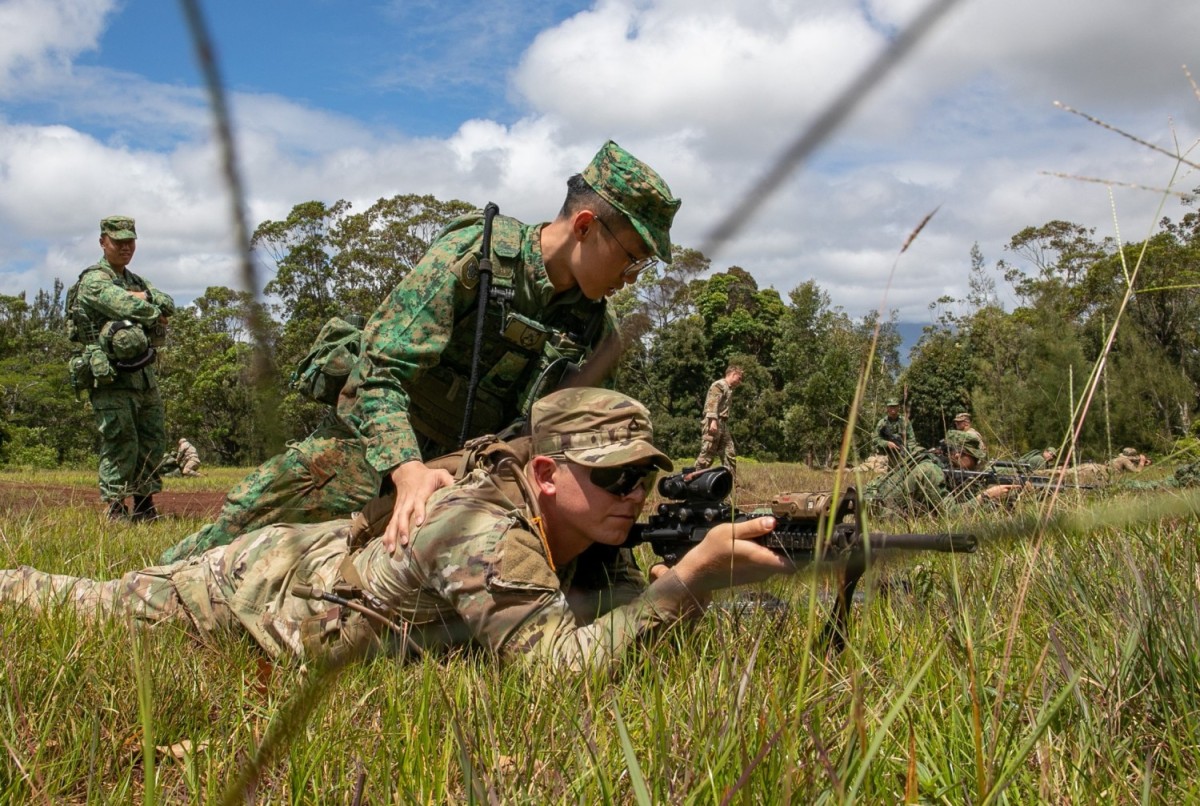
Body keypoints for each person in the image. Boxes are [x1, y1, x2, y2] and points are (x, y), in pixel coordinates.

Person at [0, 389, 792, 671]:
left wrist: (675, 586)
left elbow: (603, 617)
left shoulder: (595, 533)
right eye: (615, 477)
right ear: (546, 475)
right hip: (263, 594)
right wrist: (687, 587)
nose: (635, 493)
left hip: (324, 583)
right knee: (81, 601)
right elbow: (555, 667)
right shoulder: (483, 527)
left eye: (644, 476)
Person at [159, 140, 681, 564]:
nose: (629, 280)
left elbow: (588, 445)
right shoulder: (476, 260)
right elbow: (379, 370)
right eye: (632, 260)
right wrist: (406, 469)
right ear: (586, 226)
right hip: (378, 450)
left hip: (481, 478)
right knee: (235, 533)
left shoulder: (596, 331)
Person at [69, 216, 175, 521]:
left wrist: (145, 298)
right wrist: (149, 307)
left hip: (143, 374)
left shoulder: (136, 282)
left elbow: (168, 304)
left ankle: (144, 505)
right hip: (110, 375)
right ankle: (115, 508)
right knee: (120, 439)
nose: (126, 247)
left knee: (151, 439)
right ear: (103, 242)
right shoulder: (94, 280)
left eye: (131, 241)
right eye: (118, 242)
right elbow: (129, 307)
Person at [865, 430, 1015, 515]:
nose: (977, 464)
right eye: (974, 459)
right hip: (880, 516)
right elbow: (951, 514)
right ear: (957, 455)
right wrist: (986, 496)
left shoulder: (943, 465)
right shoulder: (932, 471)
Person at [691, 365, 743, 477]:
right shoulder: (719, 385)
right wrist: (713, 421)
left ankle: (731, 485)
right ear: (733, 374)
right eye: (739, 378)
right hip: (713, 422)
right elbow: (712, 403)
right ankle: (693, 480)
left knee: (730, 454)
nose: (740, 382)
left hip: (722, 424)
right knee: (707, 456)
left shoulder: (728, 388)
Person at [873, 398, 917, 466]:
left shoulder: (905, 421)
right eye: (891, 406)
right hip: (886, 455)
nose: (893, 408)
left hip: (903, 453)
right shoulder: (882, 423)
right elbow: (875, 439)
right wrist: (887, 443)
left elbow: (912, 439)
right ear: (887, 408)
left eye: (895, 406)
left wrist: (908, 450)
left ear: (898, 407)